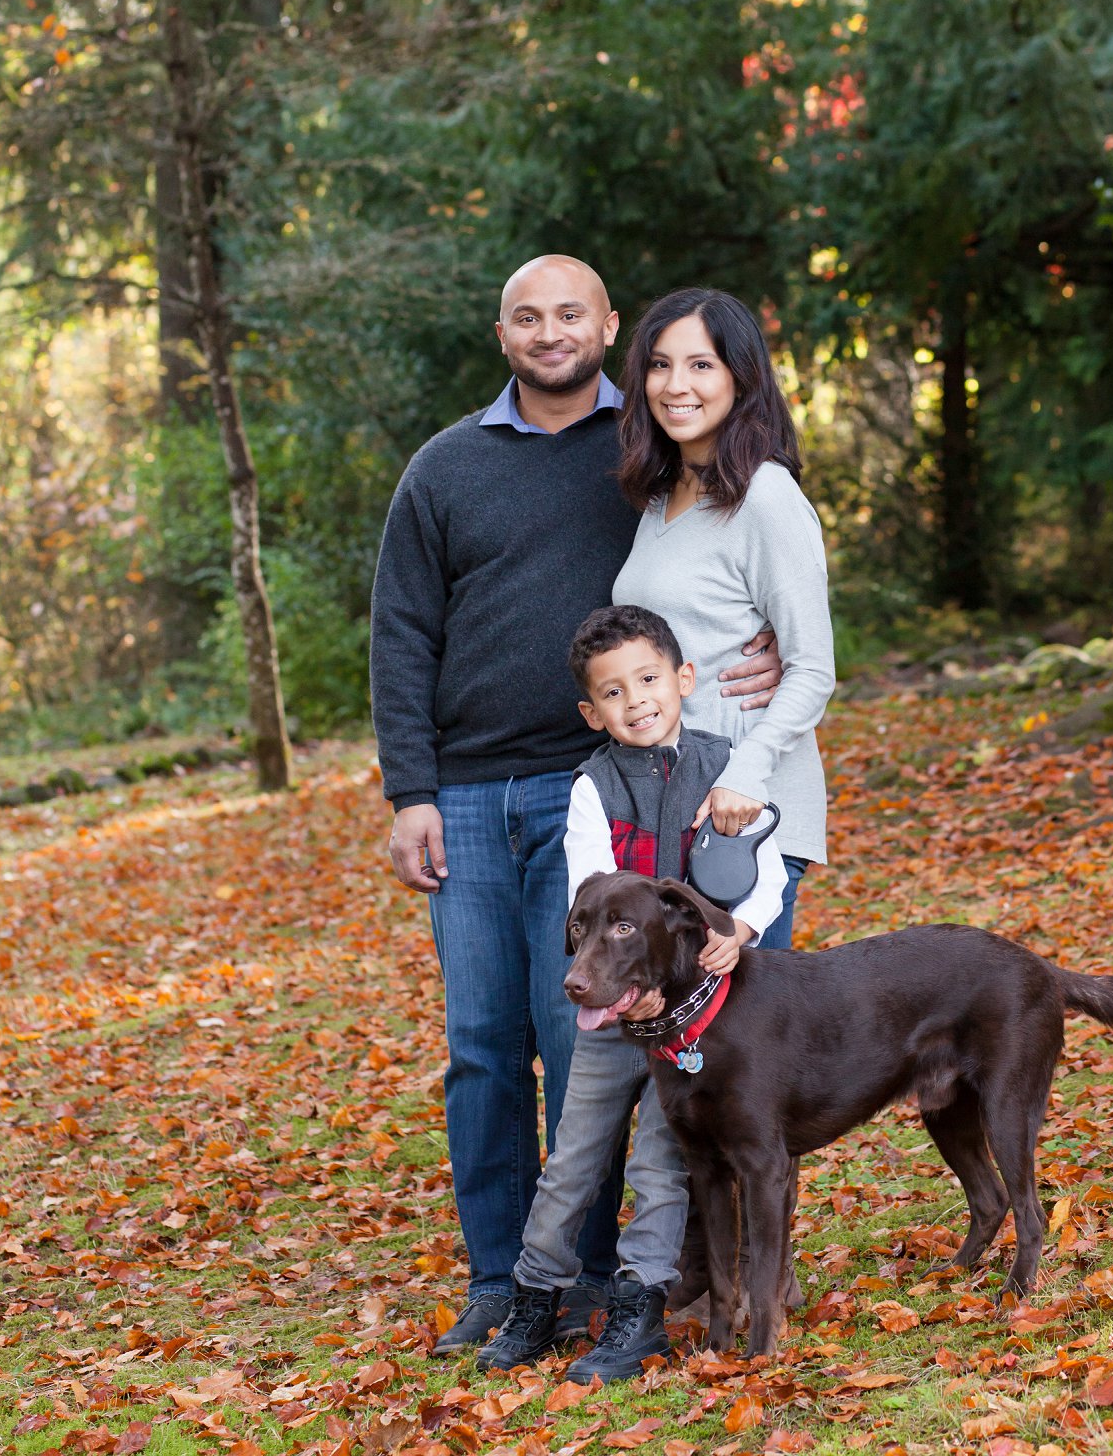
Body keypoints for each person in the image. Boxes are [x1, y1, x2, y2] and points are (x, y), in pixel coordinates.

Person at [369, 255, 783, 1353]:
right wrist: (410, 788)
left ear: (607, 326)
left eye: (571, 313)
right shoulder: (445, 466)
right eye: (525, 316)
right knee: (483, 1044)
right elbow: (401, 631)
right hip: (463, 792)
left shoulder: (643, 450)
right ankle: (504, 1277)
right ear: (499, 330)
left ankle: (606, 1277)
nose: (549, 332)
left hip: (596, 792)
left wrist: (776, 638)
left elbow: (735, 536)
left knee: (589, 1037)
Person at [476, 603, 784, 1383]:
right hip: (613, 1010)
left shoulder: (726, 766)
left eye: (648, 679)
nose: (635, 700)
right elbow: (588, 892)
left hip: (692, 1019)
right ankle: (535, 1299)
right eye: (611, 693)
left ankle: (641, 1304)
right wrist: (618, 979)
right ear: (591, 711)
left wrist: (738, 931)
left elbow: (768, 872)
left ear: (682, 679)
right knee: (573, 1159)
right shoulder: (591, 788)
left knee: (660, 1165)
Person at [613, 287, 835, 947]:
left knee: (745, 1040)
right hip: (669, 808)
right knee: (682, 1040)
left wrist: (748, 770)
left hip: (740, 817)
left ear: (741, 378)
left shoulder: (765, 496)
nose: (675, 385)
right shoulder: (663, 497)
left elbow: (812, 667)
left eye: (700, 364)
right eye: (659, 365)